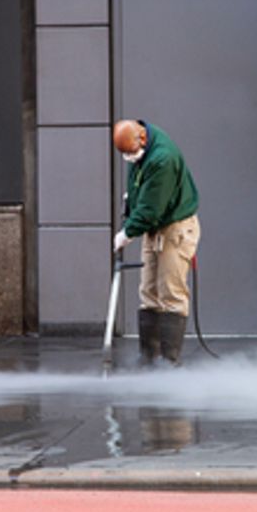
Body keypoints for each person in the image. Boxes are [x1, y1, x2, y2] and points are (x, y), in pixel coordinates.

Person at [112, 119, 200, 366]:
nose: (129, 157)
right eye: (125, 154)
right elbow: (141, 185)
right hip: (155, 229)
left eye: (130, 152)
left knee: (171, 292)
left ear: (141, 138)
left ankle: (169, 363)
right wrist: (132, 198)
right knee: (148, 290)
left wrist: (127, 233)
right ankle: (148, 358)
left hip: (175, 228)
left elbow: (151, 209)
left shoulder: (163, 158)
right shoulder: (141, 147)